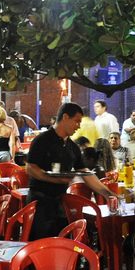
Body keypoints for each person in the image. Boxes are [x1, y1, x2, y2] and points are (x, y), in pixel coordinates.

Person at [25, 102, 116, 239]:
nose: (79, 126)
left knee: (62, 244)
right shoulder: (42, 140)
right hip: (40, 202)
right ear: (65, 117)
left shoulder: (72, 147)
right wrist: (54, 179)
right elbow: (31, 168)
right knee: (40, 246)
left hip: (62, 203)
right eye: (77, 121)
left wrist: (107, 193)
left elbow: (85, 173)